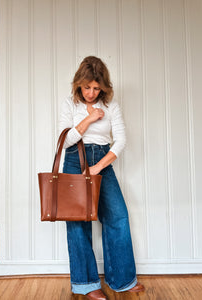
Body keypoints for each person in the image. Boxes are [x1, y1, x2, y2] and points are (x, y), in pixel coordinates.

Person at [59, 56, 145, 300]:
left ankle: (122, 279)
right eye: (87, 87)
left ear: (103, 87)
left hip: (102, 161)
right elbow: (65, 140)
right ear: (79, 84)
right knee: (77, 222)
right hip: (74, 161)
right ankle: (86, 284)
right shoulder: (69, 104)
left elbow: (121, 141)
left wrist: (97, 168)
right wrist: (89, 118)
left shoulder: (112, 106)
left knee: (117, 216)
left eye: (97, 88)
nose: (91, 92)